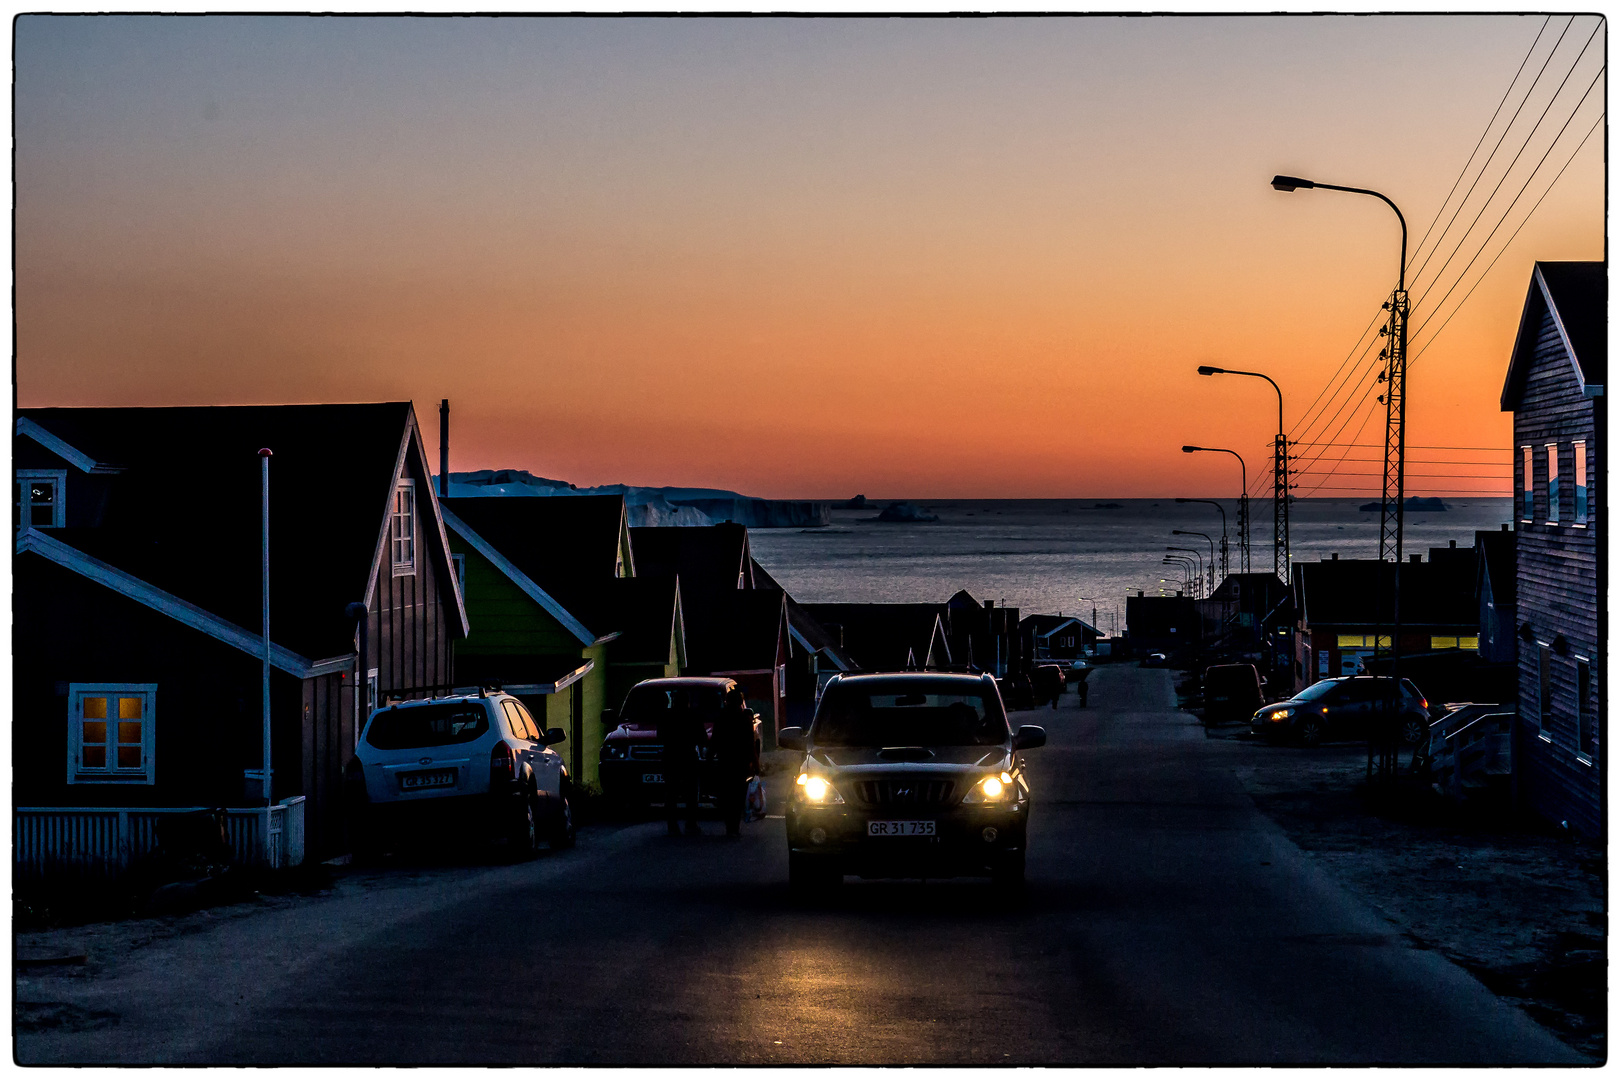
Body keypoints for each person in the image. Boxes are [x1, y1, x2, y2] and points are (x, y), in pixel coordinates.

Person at [657, 690, 706, 836]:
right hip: (688, 756)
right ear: (687, 702)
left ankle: (672, 824)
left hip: (670, 757)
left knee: (671, 792)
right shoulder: (693, 716)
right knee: (691, 792)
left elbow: (660, 736)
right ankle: (691, 823)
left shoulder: (666, 716)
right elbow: (702, 738)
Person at [711, 687, 756, 837]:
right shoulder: (745, 719)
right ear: (740, 703)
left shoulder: (721, 718)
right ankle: (734, 826)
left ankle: (729, 825)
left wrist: (710, 757)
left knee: (726, 794)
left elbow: (715, 740)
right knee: (738, 796)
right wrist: (755, 764)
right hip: (740, 764)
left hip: (725, 762)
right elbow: (750, 744)